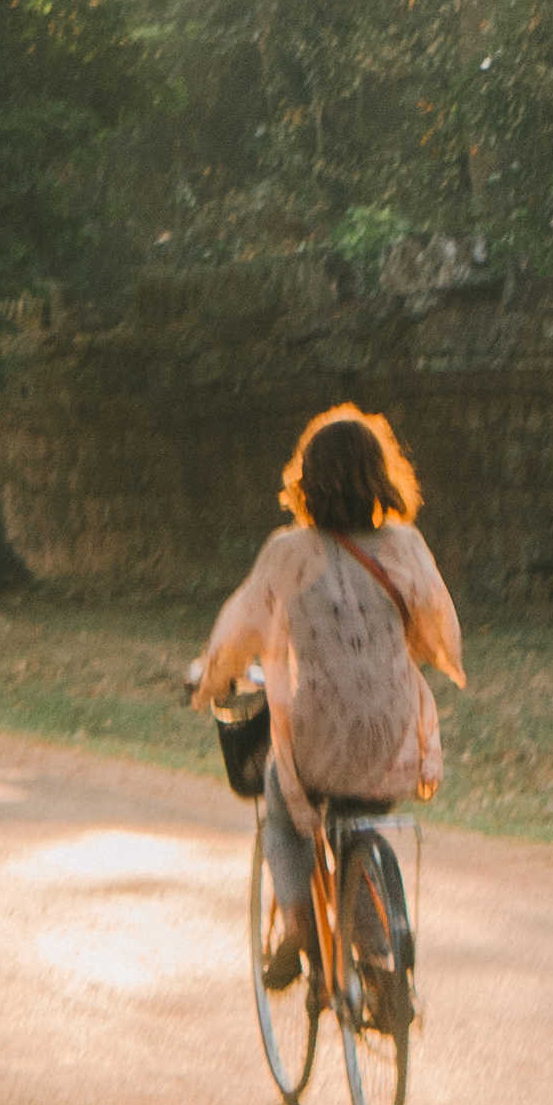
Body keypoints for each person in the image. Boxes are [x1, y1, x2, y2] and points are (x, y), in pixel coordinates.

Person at [187, 406, 463, 1003]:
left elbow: (238, 635)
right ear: (380, 476)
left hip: (317, 731)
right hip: (391, 729)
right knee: (358, 815)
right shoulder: (405, 546)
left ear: (305, 480)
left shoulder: (289, 554)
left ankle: (298, 930)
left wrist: (208, 682)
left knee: (285, 811)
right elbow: (437, 631)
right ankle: (380, 960)